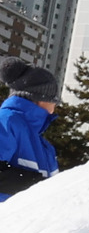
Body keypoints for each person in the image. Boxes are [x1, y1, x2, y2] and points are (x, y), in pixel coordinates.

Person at [0, 58, 59, 201]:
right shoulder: (7, 120)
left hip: (34, 220)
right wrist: (39, 186)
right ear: (41, 99)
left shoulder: (43, 144)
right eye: (54, 101)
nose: (54, 109)